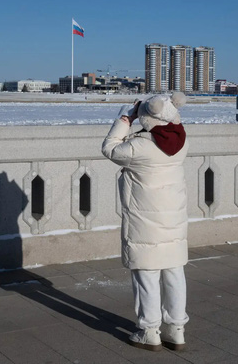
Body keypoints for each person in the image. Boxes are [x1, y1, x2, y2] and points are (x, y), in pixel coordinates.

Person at [101, 92, 190, 352]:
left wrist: (126, 118)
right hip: (173, 220)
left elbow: (109, 147)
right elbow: (170, 125)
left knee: (147, 274)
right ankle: (176, 330)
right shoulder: (183, 142)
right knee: (174, 272)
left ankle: (149, 331)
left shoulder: (139, 146)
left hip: (145, 221)